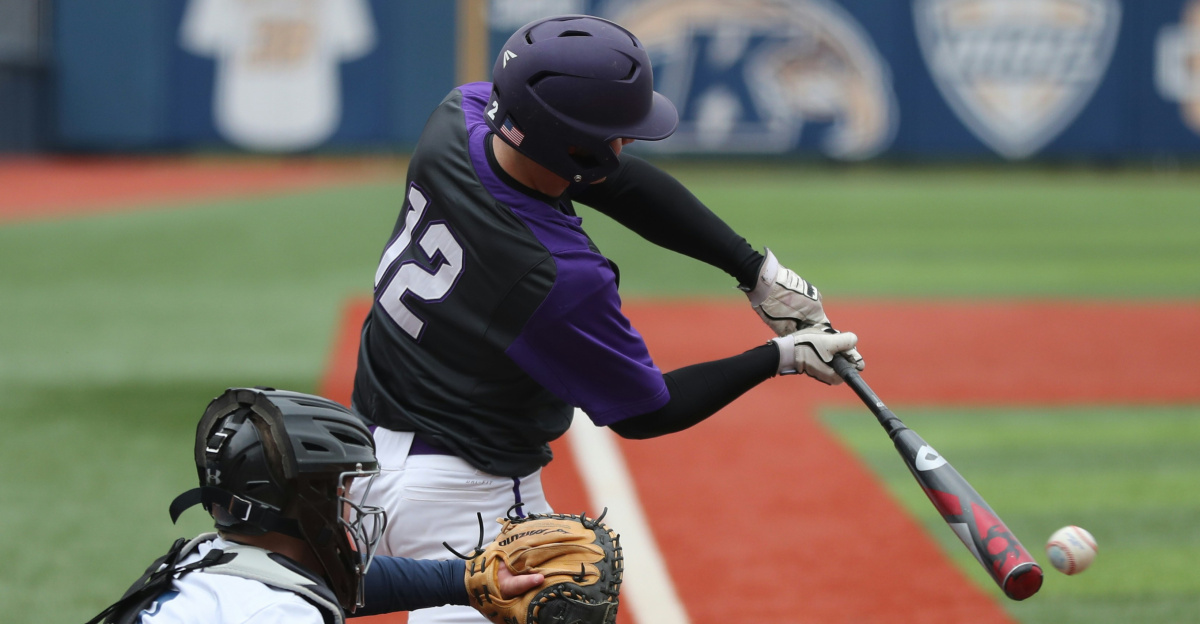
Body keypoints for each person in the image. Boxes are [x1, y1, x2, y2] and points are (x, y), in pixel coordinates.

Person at [351, 14, 865, 624]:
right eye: (614, 134)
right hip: (468, 503)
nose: (626, 144)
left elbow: (611, 182)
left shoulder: (456, 118)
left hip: (358, 466)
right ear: (567, 144)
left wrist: (755, 271)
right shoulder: (558, 277)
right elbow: (648, 412)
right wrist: (781, 357)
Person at [87, 387, 543, 624]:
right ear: (302, 504)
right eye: (336, 489)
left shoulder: (201, 559)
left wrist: (466, 578)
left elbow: (343, 582)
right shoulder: (284, 615)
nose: (346, 503)